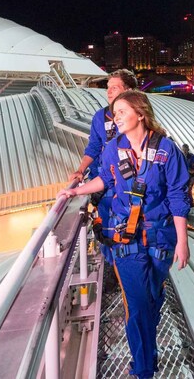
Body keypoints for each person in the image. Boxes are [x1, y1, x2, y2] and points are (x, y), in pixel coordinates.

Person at [59, 90, 190, 379]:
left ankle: (148, 355)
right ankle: (143, 370)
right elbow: (104, 180)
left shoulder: (167, 151)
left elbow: (178, 196)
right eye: (114, 112)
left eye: (121, 112)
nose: (115, 117)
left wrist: (183, 241)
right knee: (139, 305)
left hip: (160, 239)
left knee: (152, 299)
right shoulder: (112, 149)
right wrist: (76, 190)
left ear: (140, 114)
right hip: (125, 241)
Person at [70, 69, 138, 259]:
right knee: (107, 226)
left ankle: (129, 263)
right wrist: (81, 170)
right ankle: (112, 264)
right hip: (105, 183)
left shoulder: (138, 117)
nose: (108, 92)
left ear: (129, 90)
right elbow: (93, 146)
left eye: (114, 88)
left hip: (130, 184)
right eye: (108, 88)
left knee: (132, 224)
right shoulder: (100, 117)